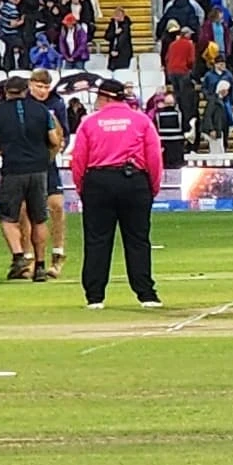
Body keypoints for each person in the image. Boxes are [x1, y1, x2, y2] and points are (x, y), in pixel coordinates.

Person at [67, 78, 163, 307]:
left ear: (106, 97)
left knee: (97, 240)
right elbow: (154, 157)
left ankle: (95, 296)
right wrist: (152, 187)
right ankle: (146, 294)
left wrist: (83, 187)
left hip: (98, 181)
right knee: (138, 239)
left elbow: (79, 159)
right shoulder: (141, 121)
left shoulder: (90, 123)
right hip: (134, 180)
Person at [0, 73, 65, 282]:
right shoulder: (42, 110)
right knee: (39, 219)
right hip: (39, 170)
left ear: (6, 92)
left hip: (13, 170)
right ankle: (41, 266)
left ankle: (19, 257)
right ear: (26, 90)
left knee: (8, 217)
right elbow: (54, 139)